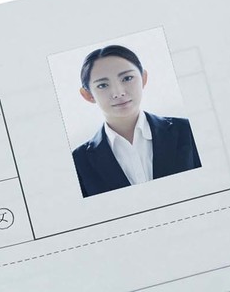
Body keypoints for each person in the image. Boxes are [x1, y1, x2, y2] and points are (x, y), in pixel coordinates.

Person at [71, 44, 201, 198]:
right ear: (88, 95)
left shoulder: (188, 130)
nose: (118, 92)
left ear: (143, 78)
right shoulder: (78, 163)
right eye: (103, 85)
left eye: (127, 78)